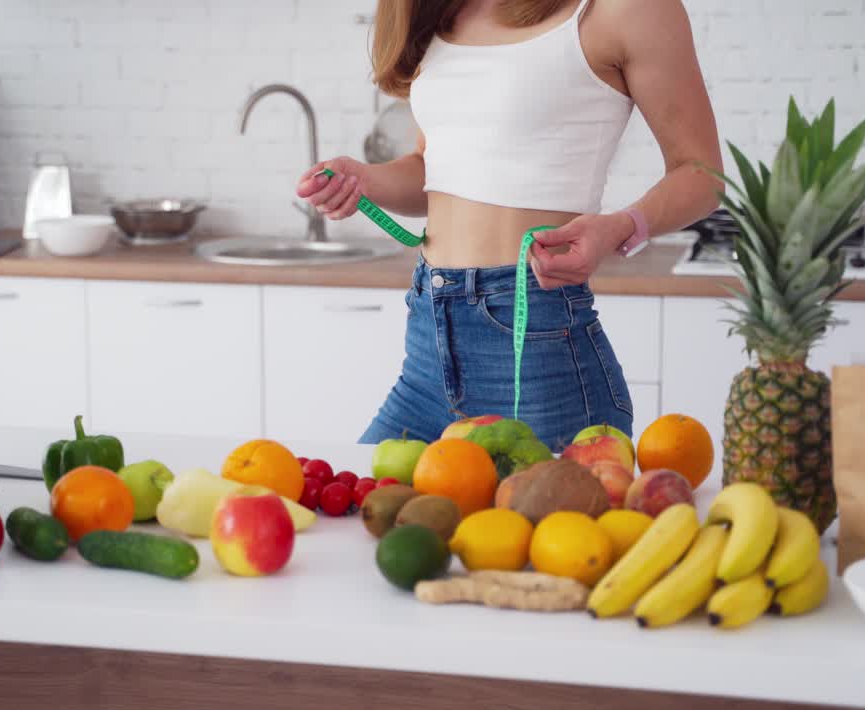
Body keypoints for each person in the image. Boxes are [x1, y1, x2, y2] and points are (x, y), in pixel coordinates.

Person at [296, 0, 722, 450]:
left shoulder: (623, 10)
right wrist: (364, 180)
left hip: (538, 352)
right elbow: (431, 168)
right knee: (357, 493)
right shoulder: (445, 11)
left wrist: (620, 225)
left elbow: (702, 174)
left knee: (541, 503)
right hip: (428, 342)